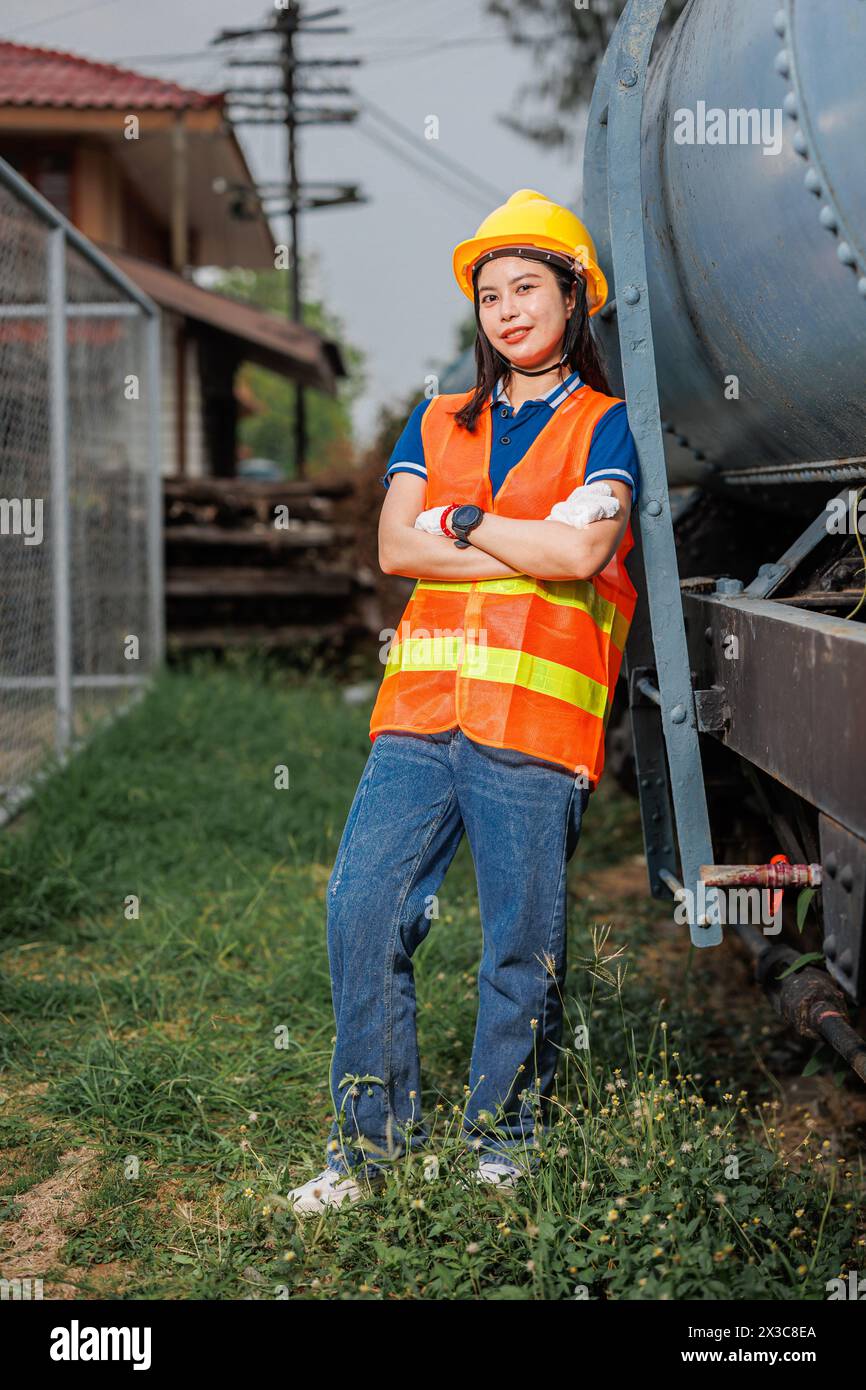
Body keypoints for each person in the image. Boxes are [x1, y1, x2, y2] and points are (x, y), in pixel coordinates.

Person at [288, 189, 640, 1214]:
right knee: (360, 909)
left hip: (534, 727)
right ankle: (368, 1148)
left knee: (519, 942)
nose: (506, 309)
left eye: (527, 287)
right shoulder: (438, 414)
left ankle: (503, 1140)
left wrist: (469, 518)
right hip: (415, 720)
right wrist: (519, 541)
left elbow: (582, 550)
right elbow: (397, 546)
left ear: (574, 298)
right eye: (490, 293)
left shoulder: (605, 426)